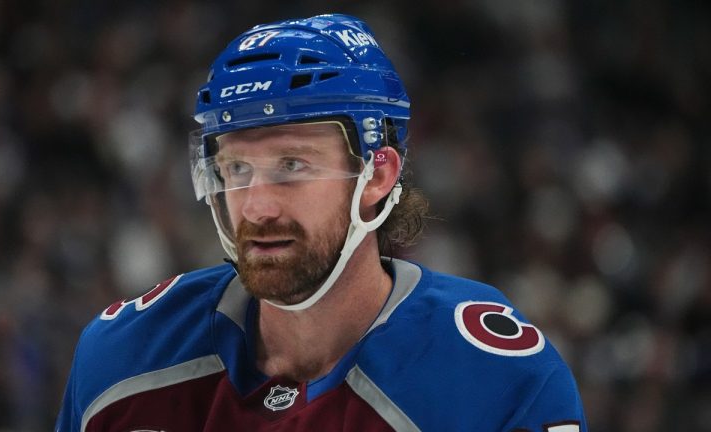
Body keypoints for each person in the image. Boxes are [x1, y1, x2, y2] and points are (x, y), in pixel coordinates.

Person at [56, 14, 587, 431]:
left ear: (378, 175)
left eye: (292, 165)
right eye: (237, 169)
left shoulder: (495, 383)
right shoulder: (124, 359)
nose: (257, 207)